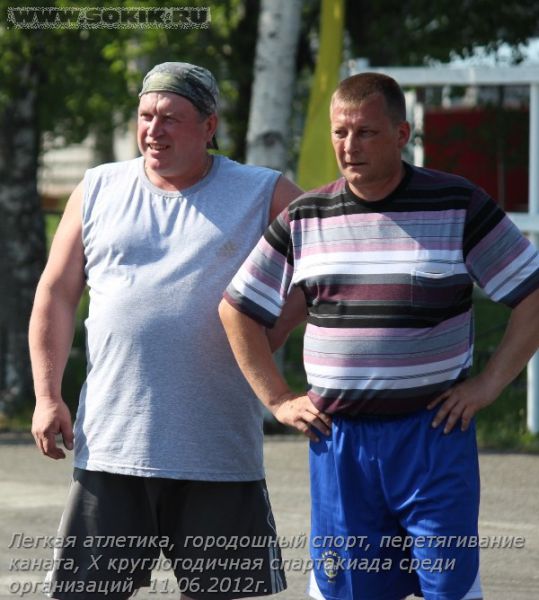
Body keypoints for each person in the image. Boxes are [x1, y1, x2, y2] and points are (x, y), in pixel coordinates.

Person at [219, 72, 539, 600]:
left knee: (450, 589)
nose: (350, 146)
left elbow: (532, 293)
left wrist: (489, 385)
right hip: (339, 441)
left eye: (366, 132)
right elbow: (236, 309)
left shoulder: (457, 203)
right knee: (350, 591)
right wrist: (276, 399)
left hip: (433, 435)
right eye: (340, 132)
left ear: (401, 134)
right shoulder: (306, 216)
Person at [29, 61, 304, 600]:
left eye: (171, 118)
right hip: (112, 446)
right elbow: (56, 293)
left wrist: (271, 331)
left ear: (209, 126)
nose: (154, 130)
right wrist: (46, 396)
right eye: (146, 116)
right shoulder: (99, 187)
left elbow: (334, 255)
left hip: (217, 452)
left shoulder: (261, 191)